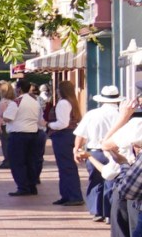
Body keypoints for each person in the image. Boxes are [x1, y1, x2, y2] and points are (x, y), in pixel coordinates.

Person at [76, 86, 126, 224]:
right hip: (116, 152)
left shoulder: (92, 114)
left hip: (94, 152)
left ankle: (97, 211)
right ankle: (110, 212)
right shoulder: (121, 115)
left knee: (95, 181)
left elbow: (81, 134)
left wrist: (77, 149)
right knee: (112, 181)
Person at [0, 81, 44, 195]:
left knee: (17, 162)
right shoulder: (35, 101)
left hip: (18, 134)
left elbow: (8, 117)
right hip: (33, 133)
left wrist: (2, 115)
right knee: (30, 161)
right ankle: (32, 186)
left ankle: (23, 187)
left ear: (19, 89)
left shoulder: (17, 102)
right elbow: (40, 118)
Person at [45, 82, 83, 205]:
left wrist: (48, 124)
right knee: (66, 167)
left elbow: (62, 123)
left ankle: (74, 196)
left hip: (63, 136)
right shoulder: (72, 101)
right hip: (69, 135)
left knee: (66, 167)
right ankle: (66, 195)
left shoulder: (63, 103)